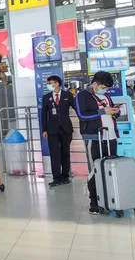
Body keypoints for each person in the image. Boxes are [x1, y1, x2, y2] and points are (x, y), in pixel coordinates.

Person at [76, 71, 121, 215]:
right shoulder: (82, 95)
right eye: (103, 87)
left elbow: (112, 112)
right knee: (94, 169)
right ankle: (94, 202)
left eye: (107, 88)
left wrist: (115, 111)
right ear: (94, 84)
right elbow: (82, 115)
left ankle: (110, 199)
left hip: (111, 137)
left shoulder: (106, 96)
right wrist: (102, 111)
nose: (105, 90)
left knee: (110, 168)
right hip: (94, 138)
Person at [42, 75, 76, 187]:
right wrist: (44, 129)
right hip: (52, 130)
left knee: (65, 153)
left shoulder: (67, 95)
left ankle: (65, 176)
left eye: (50, 83)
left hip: (66, 129)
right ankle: (56, 177)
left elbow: (77, 109)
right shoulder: (46, 97)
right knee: (54, 153)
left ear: (57, 84)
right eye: (48, 83)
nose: (49, 85)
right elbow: (44, 114)